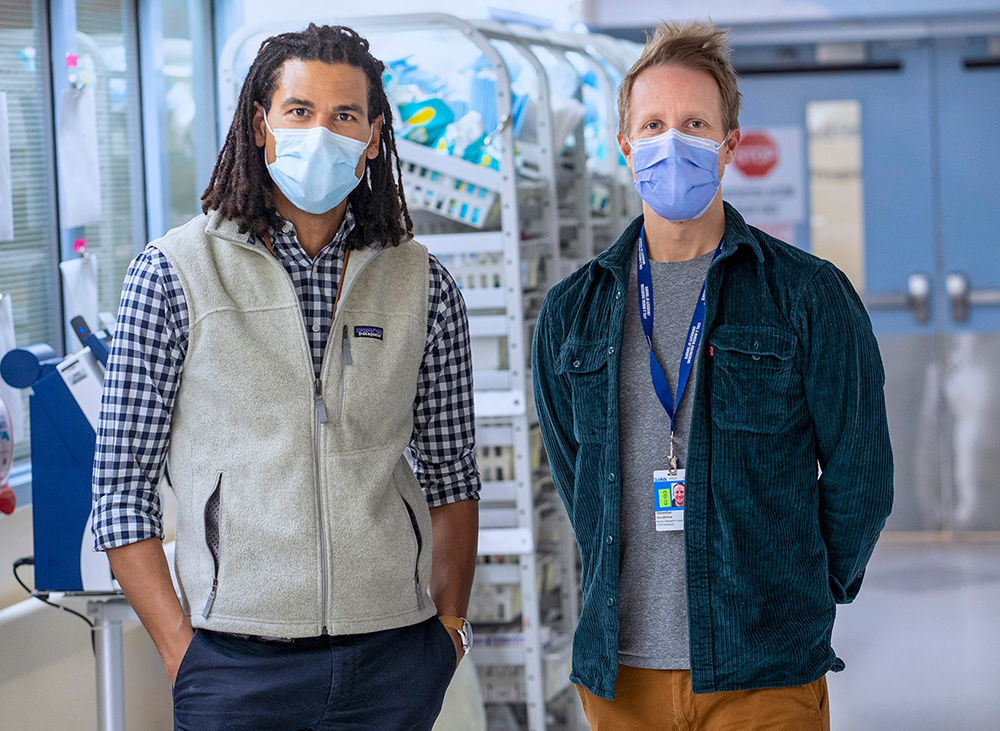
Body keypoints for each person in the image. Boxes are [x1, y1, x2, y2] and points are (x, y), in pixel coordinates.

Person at [92, 24, 480, 731]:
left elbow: (453, 476)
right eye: (300, 111)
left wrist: (448, 628)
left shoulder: (423, 283)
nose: (321, 132)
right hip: (234, 665)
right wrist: (183, 653)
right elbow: (120, 490)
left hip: (393, 660)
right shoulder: (173, 273)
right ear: (261, 123)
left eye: (344, 115)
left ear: (373, 135)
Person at [532, 20, 893, 730]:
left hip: (765, 674)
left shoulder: (806, 296)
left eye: (695, 123)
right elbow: (579, 482)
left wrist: (803, 589)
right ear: (624, 145)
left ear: (728, 145)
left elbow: (861, 477)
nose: (673, 141)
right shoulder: (573, 312)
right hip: (621, 677)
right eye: (655, 123)